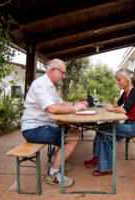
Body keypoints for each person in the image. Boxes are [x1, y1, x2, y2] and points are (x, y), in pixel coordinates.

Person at [21, 58, 87, 187]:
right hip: (33, 129)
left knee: (74, 130)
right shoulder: (40, 84)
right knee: (72, 137)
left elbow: (60, 102)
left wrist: (76, 103)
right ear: (52, 70)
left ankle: (54, 160)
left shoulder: (50, 85)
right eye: (62, 72)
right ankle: (53, 174)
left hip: (45, 124)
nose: (63, 76)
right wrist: (74, 109)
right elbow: (51, 108)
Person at [84, 68, 135, 176]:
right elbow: (116, 105)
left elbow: (123, 110)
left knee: (106, 132)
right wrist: (107, 107)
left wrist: (110, 109)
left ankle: (106, 167)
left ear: (127, 80)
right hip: (129, 124)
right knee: (101, 128)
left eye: (119, 80)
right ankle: (97, 158)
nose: (117, 82)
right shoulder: (126, 93)